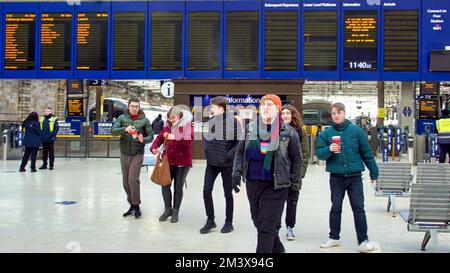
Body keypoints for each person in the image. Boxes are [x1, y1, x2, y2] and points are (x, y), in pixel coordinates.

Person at [232, 94, 302, 253]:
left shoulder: (288, 132)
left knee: (266, 227)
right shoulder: (250, 129)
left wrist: (294, 186)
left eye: (270, 104)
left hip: (276, 186)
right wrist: (236, 172)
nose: (265, 107)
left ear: (277, 109)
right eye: (263, 104)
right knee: (258, 222)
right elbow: (240, 151)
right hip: (253, 183)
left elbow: (297, 160)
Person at [316, 102, 379, 253]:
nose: (336, 115)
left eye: (339, 112)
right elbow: (320, 154)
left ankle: (363, 240)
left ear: (344, 113)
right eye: (333, 113)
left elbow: (367, 153)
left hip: (355, 177)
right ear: (331, 116)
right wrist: (329, 149)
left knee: (358, 208)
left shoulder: (357, 132)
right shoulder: (326, 134)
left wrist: (374, 172)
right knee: (335, 207)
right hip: (336, 177)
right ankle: (334, 238)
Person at [200, 96, 241, 234]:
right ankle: (210, 220)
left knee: (227, 194)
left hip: (226, 164)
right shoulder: (211, 121)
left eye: (213, 107)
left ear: (221, 108)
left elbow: (239, 142)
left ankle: (229, 222)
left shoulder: (234, 122)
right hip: (211, 163)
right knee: (206, 191)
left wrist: (229, 155)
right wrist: (207, 151)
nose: (211, 109)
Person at [111, 97, 154, 219]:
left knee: (133, 179)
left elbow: (150, 136)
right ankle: (131, 204)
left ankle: (136, 205)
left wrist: (143, 139)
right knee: (125, 182)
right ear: (128, 107)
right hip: (124, 153)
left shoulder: (144, 121)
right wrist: (124, 129)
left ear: (139, 107)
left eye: (137, 106)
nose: (135, 108)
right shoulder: (121, 118)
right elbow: (113, 131)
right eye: (132, 106)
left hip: (137, 153)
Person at [150, 106, 193, 223]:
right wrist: (153, 147)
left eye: (173, 118)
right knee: (165, 184)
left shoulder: (188, 126)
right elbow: (159, 138)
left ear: (180, 116)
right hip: (168, 161)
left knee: (178, 187)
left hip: (182, 162)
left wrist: (174, 137)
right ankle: (167, 209)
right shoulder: (167, 127)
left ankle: (175, 211)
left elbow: (187, 142)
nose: (171, 120)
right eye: (169, 118)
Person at [281, 104, 310, 241]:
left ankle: (290, 227)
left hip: (295, 173)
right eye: (283, 113)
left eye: (288, 113)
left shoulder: (300, 132)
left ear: (293, 115)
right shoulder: (275, 130)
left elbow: (305, 154)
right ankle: (274, 227)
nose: (285, 115)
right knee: (276, 201)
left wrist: (300, 173)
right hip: (279, 173)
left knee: (292, 201)